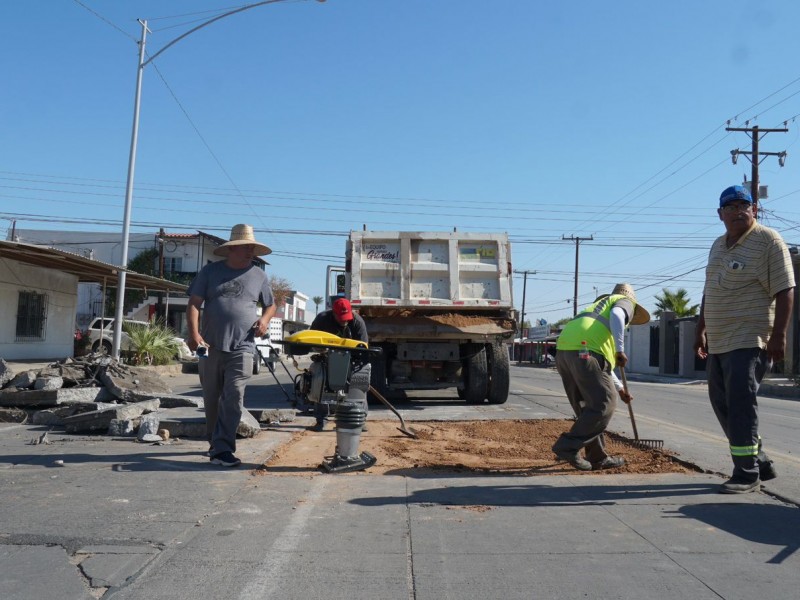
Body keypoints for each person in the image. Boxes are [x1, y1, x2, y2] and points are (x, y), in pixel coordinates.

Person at [693, 185, 795, 494]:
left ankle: (747, 473)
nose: (738, 211)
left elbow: (786, 289)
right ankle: (758, 459)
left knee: (740, 403)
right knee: (721, 402)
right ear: (720, 214)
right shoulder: (717, 245)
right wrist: (701, 326)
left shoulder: (768, 240)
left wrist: (779, 335)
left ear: (754, 209)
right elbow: (710, 289)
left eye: (744, 205)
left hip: (750, 337)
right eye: (731, 206)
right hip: (720, 338)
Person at [186, 224, 277, 467]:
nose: (250, 251)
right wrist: (194, 335)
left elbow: (271, 305)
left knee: (234, 395)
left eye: (252, 248)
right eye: (246, 247)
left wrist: (265, 320)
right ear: (232, 249)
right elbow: (194, 304)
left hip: (243, 346)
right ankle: (215, 444)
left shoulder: (259, 275)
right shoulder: (210, 272)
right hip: (209, 345)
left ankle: (224, 448)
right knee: (212, 398)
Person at [552, 283, 650, 471]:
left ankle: (597, 457)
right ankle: (568, 445)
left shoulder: (597, 315)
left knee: (587, 408)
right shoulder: (624, 302)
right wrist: (620, 349)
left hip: (565, 352)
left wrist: (620, 389)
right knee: (604, 404)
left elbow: (602, 366)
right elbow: (617, 315)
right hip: (585, 353)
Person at [308, 297, 369, 431]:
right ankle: (321, 419)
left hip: (351, 357)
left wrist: (356, 362)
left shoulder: (358, 322)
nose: (344, 320)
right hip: (326, 355)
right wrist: (321, 350)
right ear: (333, 313)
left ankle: (359, 418)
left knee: (359, 381)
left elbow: (364, 347)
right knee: (320, 380)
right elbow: (311, 339)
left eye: (346, 317)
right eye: (340, 317)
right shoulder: (322, 319)